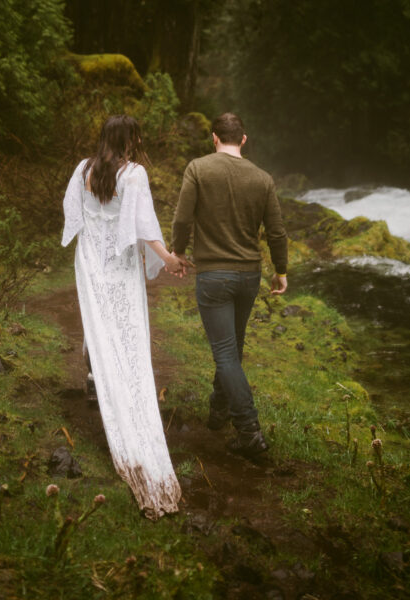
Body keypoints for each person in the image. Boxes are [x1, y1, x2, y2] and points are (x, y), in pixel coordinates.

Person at [61, 114, 189, 519]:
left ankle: (96, 377)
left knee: (98, 324)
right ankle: (113, 385)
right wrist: (167, 258)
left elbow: (74, 212)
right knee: (125, 330)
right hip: (118, 264)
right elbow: (142, 224)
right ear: (129, 139)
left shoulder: (83, 169)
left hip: (89, 261)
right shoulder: (134, 175)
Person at [170, 112, 288, 459]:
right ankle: (219, 409)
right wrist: (280, 270)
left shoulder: (198, 169)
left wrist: (177, 251)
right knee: (232, 349)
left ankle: (248, 430)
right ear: (244, 139)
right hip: (249, 276)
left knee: (225, 353)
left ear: (214, 138)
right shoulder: (262, 178)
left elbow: (181, 218)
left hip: (214, 277)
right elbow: (277, 231)